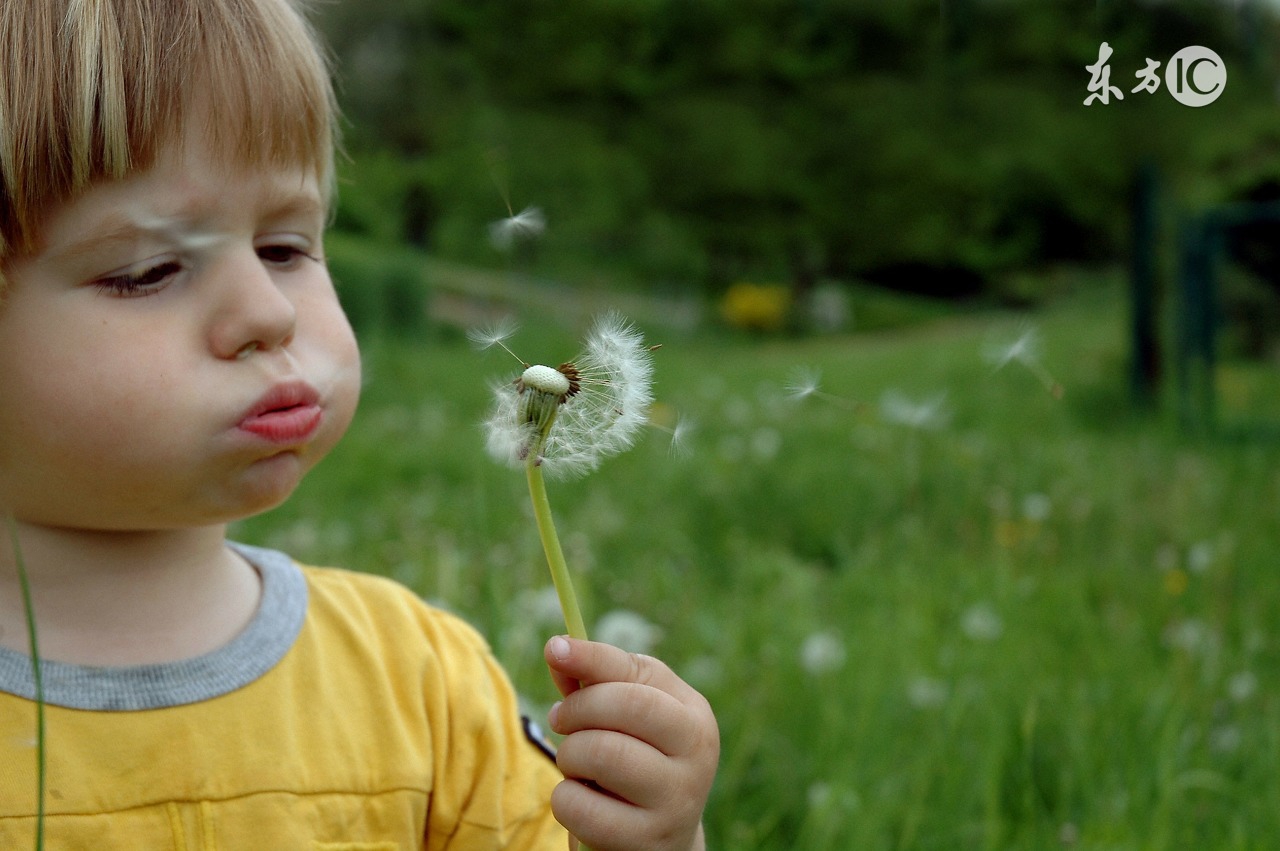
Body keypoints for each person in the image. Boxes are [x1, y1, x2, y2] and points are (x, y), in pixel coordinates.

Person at [0, 1, 719, 849]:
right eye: (147, 269)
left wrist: (655, 839)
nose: (267, 312)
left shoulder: (421, 682)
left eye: (285, 248)